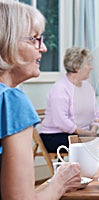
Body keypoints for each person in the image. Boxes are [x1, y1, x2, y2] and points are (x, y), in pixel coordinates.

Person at [0, 1, 81, 199]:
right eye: (34, 39)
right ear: (6, 43)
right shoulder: (10, 101)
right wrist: (60, 182)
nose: (43, 48)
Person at [40, 47, 99, 153]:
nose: (91, 68)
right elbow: (62, 122)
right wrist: (87, 134)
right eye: (88, 64)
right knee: (94, 145)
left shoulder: (88, 87)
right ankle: (89, 169)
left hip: (81, 134)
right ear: (76, 67)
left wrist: (93, 130)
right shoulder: (60, 89)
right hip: (55, 135)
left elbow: (96, 115)